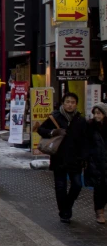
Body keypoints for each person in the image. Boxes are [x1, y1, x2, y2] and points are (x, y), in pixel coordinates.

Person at [38, 93, 87, 223]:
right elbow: (41, 129)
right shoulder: (55, 117)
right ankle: (64, 212)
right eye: (67, 102)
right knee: (60, 187)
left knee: (77, 185)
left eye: (72, 102)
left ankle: (67, 206)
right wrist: (53, 132)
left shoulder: (80, 120)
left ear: (76, 104)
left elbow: (85, 140)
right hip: (59, 158)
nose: (70, 104)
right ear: (63, 103)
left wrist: (84, 157)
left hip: (75, 159)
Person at [85, 103, 107, 223]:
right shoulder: (90, 126)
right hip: (96, 162)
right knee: (99, 188)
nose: (97, 116)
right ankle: (99, 212)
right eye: (95, 113)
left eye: (99, 113)